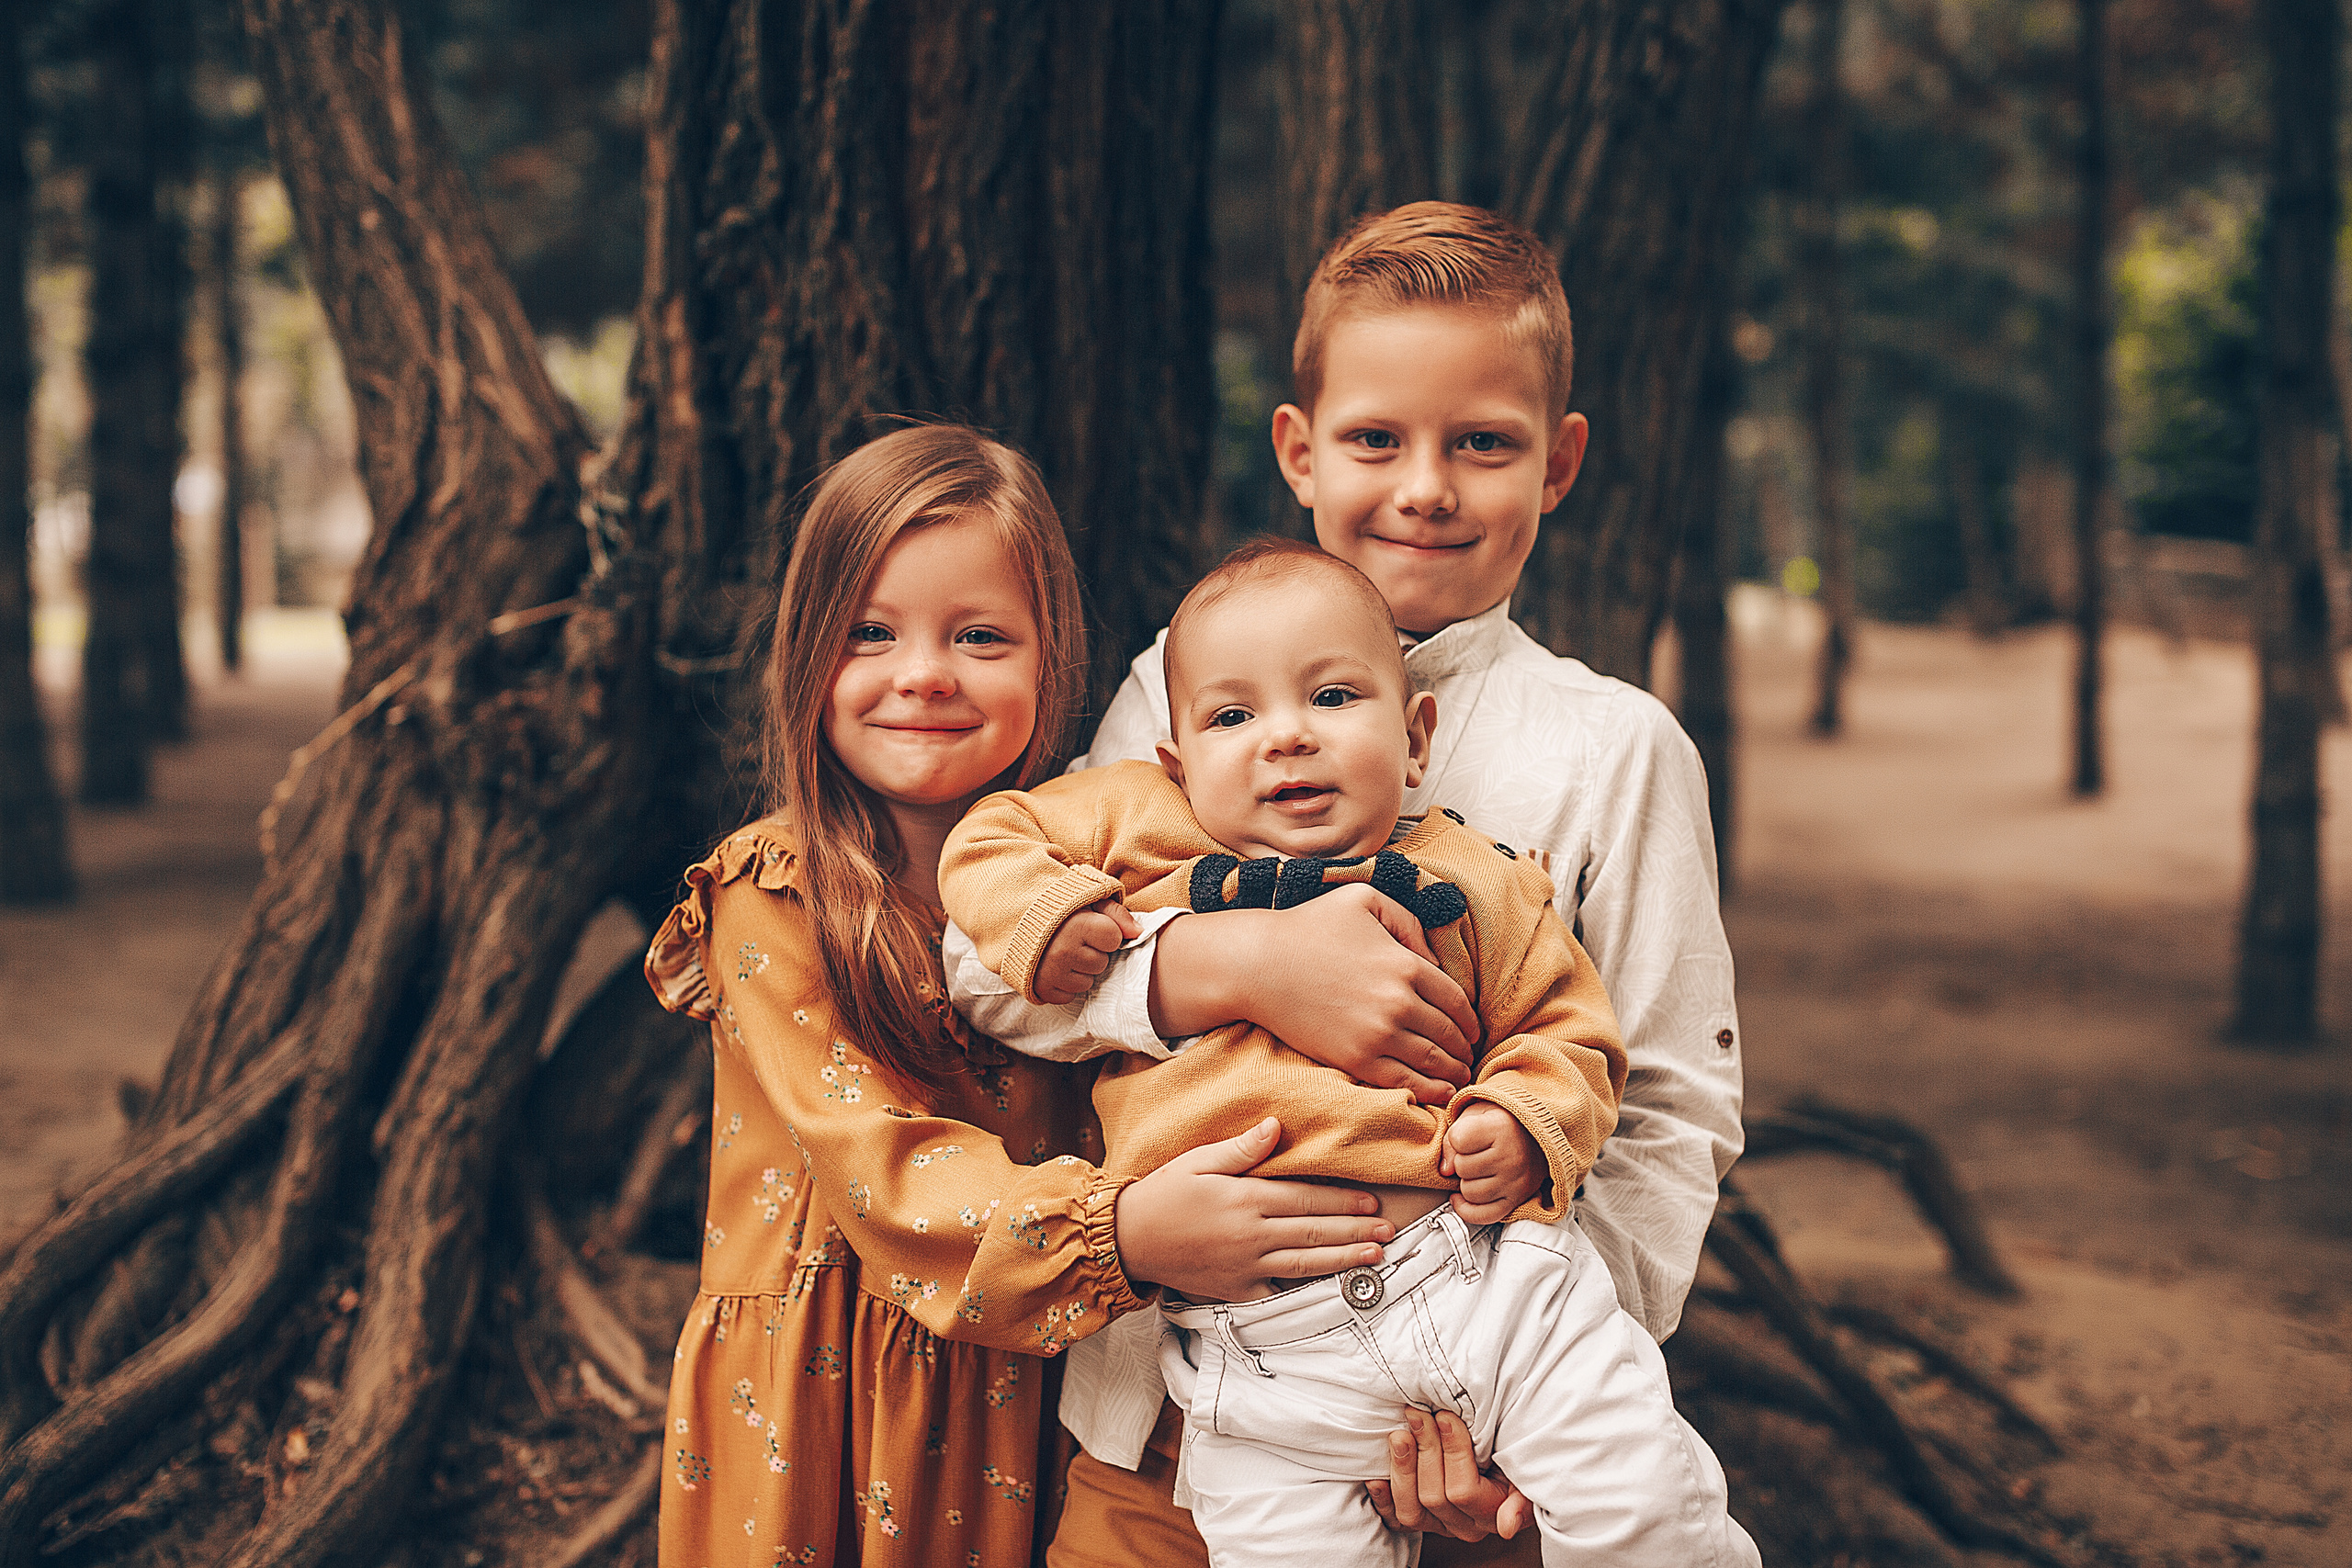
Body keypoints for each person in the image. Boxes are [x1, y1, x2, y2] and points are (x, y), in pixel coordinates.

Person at [1031, 202, 1748, 1563]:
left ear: (1560, 463)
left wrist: (1517, 1406)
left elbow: (1667, 1114)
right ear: (1300, 451)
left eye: (1482, 441)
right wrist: (1222, 968)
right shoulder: (1181, 691)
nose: (1426, 485)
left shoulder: (1615, 750)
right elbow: (1004, 970)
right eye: (1377, 438)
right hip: (1165, 1410)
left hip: (1466, 1410)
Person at [645, 423, 1447, 1565]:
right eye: (869, 633)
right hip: (826, 1399)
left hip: (1025, 1385)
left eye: (978, 635)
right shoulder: (774, 892)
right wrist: (1122, 1233)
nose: (923, 672)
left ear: (1049, 657)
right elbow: (884, 1176)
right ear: (805, 653)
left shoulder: (1104, 876)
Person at [940, 541, 1757, 1566]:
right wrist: (1048, 917)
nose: (1284, 738)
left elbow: (1570, 1032)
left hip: (1484, 1286)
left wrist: (1523, 1119)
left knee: (1644, 1510)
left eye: (1331, 698)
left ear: (1414, 738)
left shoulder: (1478, 878)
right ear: (1175, 758)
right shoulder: (1139, 824)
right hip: (1255, 1360)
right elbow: (987, 839)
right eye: (1232, 718)